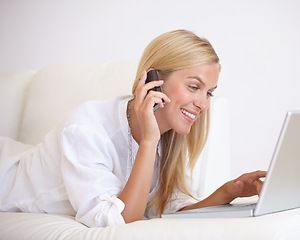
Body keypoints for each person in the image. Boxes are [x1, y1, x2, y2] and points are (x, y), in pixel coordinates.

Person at [0, 29, 266, 227]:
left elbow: (169, 209)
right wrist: (148, 143)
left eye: (209, 93)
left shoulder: (169, 136)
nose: (202, 104)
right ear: (154, 81)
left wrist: (228, 192)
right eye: (194, 87)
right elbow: (120, 223)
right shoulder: (85, 127)